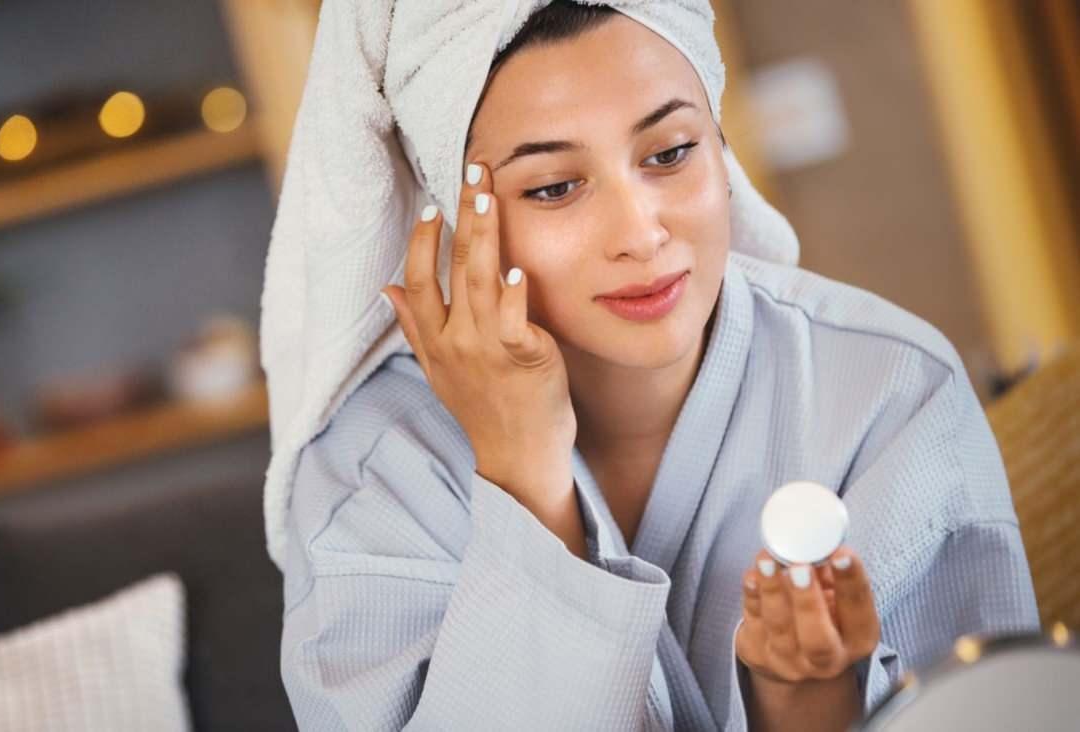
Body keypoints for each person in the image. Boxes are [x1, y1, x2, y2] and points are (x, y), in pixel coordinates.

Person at [269, 2, 1039, 729]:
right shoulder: (375, 473)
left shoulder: (889, 388)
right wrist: (522, 476)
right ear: (454, 222)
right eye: (554, 187)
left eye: (670, 153)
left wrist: (811, 699)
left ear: (722, 145)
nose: (640, 234)